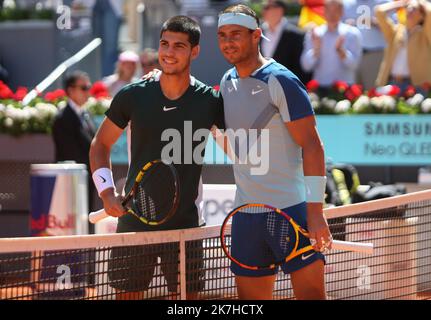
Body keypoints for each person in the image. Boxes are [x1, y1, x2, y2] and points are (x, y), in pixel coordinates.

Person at [89, 16, 224, 300]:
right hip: (134, 225)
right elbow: (100, 144)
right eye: (164, 44)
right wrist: (106, 192)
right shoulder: (132, 96)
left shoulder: (210, 102)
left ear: (194, 51)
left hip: (186, 228)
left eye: (178, 46)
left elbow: (240, 149)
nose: (169, 52)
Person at [216, 4, 331, 300]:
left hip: (291, 211)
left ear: (256, 36)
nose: (228, 41)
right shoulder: (226, 83)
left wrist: (315, 213)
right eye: (223, 35)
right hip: (245, 217)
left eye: (236, 34)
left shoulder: (281, 79)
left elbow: (313, 146)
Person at [52, 71, 97, 213]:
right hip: (72, 180)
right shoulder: (62, 118)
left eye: (89, 87)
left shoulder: (86, 114)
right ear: (71, 91)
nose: (88, 92)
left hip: (87, 177)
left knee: (86, 217)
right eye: (84, 88)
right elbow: (69, 153)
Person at [301, 0, 363, 87]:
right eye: (329, 10)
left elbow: (355, 66)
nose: (332, 14)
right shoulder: (315, 34)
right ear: (324, 11)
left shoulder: (352, 33)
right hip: (320, 89)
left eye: (335, 10)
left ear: (342, 12)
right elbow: (306, 67)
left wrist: (342, 52)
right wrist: (316, 50)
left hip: (345, 89)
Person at [374, 0, 431, 89]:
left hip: (415, 85)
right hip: (391, 82)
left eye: (414, 9)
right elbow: (379, 12)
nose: (409, 10)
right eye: (408, 8)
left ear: (421, 16)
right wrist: (401, 3)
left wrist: (420, 2)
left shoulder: (425, 34)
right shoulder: (395, 31)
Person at [343, 0, 391, 90]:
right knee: (349, 94)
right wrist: (345, 26)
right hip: (350, 56)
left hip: (375, 55)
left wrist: (375, 22)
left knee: (374, 95)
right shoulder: (346, 3)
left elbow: (395, 30)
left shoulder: (385, 2)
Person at [261, 0, 311, 84]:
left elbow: (299, 68)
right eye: (264, 7)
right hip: (260, 89)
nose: (264, 11)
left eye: (267, 7)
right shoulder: (256, 33)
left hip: (286, 88)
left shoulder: (296, 35)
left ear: (280, 10)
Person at [91, 0, 124, 77]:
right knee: (95, 46)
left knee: (110, 48)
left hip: (112, 7)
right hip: (94, 6)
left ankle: (107, 78)